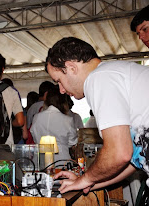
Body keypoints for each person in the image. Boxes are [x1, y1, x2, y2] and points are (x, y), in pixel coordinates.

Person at [45, 37, 149, 195]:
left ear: (71, 68)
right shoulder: (116, 72)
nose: (61, 90)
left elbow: (119, 153)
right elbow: (135, 159)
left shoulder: (99, 78)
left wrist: (85, 179)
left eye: (59, 80)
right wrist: (87, 182)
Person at [30, 86, 77, 163]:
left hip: (40, 158)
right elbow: (72, 141)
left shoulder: (36, 117)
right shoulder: (68, 120)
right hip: (61, 158)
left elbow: (34, 137)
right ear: (63, 101)